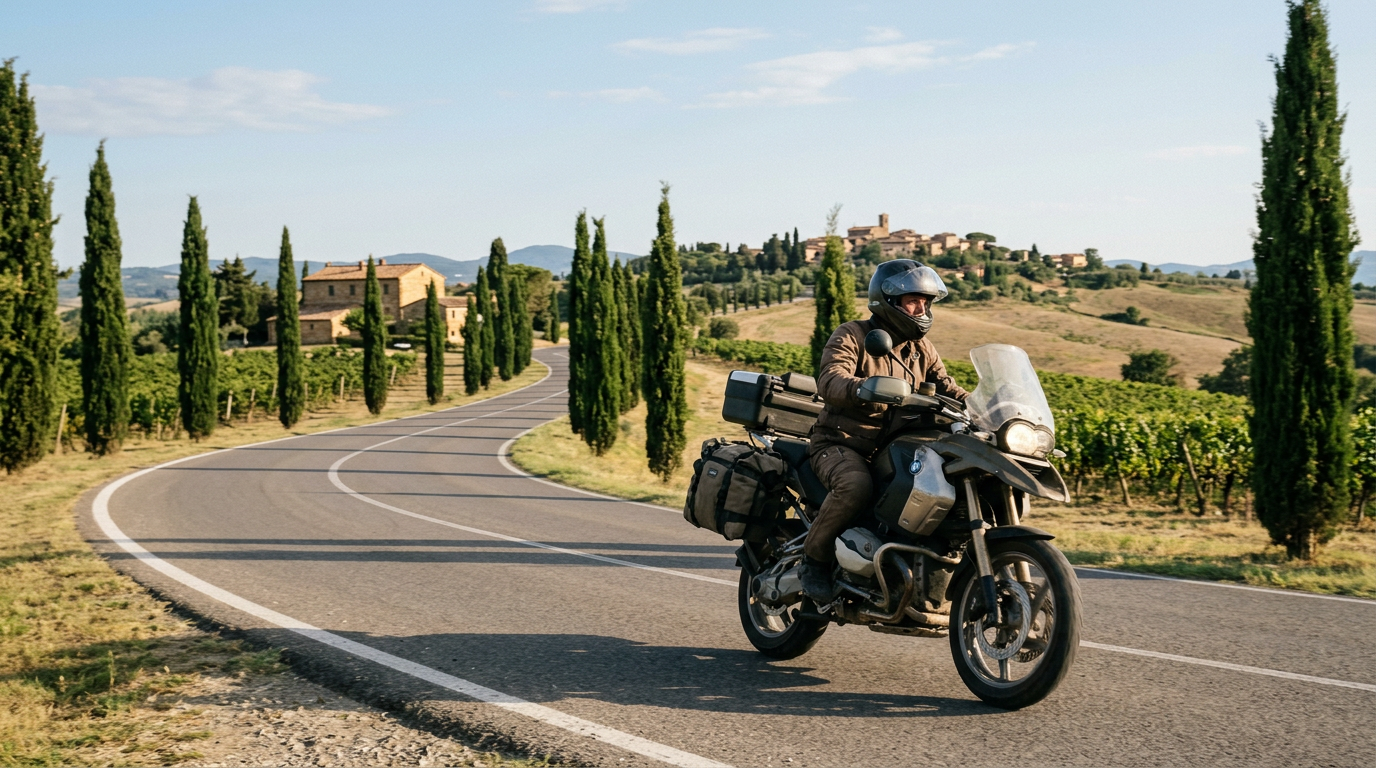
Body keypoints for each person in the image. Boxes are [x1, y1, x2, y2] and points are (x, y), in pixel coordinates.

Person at [800, 259, 970, 603]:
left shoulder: (921, 349)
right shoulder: (853, 335)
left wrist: (986, 408)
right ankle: (813, 561)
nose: (921, 309)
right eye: (913, 301)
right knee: (855, 486)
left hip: (894, 450)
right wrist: (863, 387)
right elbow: (830, 379)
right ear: (888, 301)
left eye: (926, 302)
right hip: (841, 444)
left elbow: (949, 388)